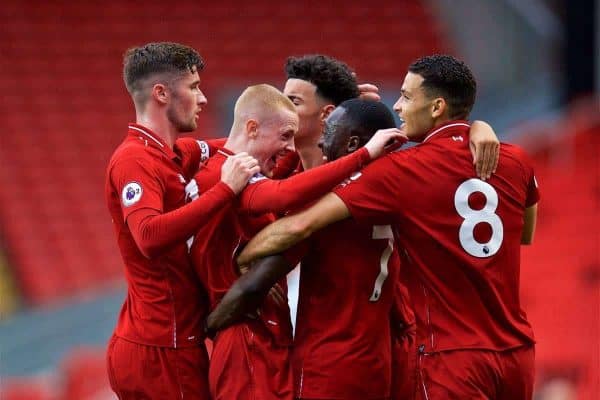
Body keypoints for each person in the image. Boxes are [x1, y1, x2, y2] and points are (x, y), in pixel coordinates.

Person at [238, 55, 539, 400]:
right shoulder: (515, 158)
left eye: (408, 97)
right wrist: (479, 126)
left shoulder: (399, 171)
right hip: (517, 351)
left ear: (438, 106)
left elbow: (299, 225)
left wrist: (244, 256)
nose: (398, 105)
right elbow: (525, 234)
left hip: (450, 357)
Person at [189, 84, 402, 400]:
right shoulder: (400, 187)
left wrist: (208, 325)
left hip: (324, 362)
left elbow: (258, 277)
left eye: (328, 130)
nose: (318, 139)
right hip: (377, 360)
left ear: (355, 143)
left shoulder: (326, 202)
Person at [104, 42, 260, 399]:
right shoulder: (133, 160)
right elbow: (148, 236)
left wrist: (293, 125)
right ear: (161, 93)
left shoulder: (172, 153)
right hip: (162, 347)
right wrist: (224, 191)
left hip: (166, 342)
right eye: (193, 87)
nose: (202, 98)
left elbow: (233, 143)